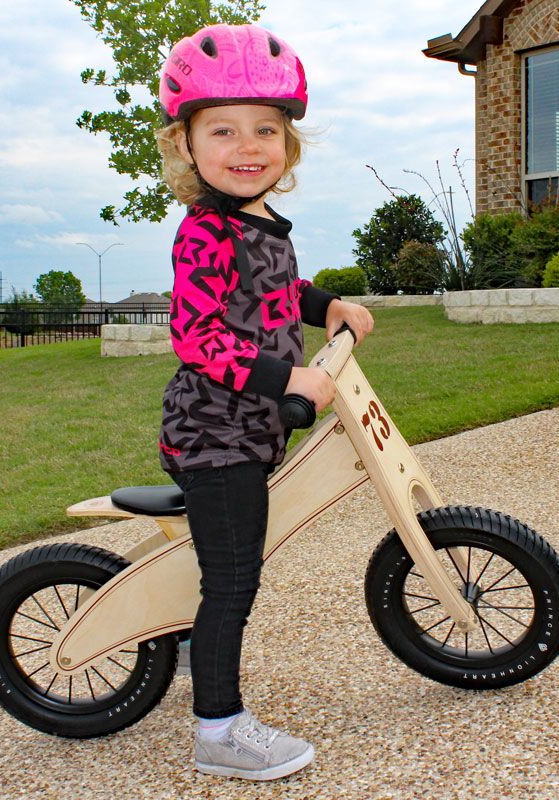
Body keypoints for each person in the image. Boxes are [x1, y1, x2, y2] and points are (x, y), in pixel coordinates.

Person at [154, 23, 374, 781]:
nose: (248, 147)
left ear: (288, 145)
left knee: (231, 567)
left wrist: (330, 305)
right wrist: (288, 380)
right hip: (214, 435)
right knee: (236, 579)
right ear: (186, 144)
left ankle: (190, 644)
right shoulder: (205, 235)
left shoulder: (262, 228)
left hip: (246, 428)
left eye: (266, 130)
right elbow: (199, 338)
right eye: (224, 130)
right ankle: (218, 730)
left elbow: (280, 295)